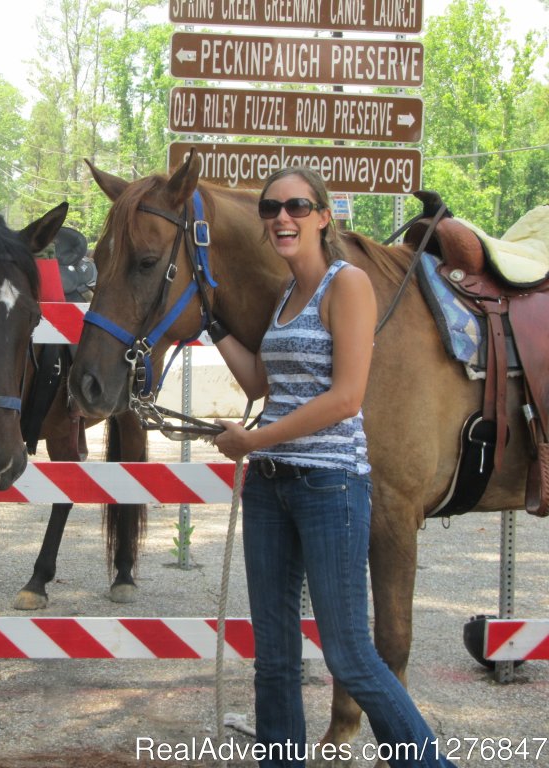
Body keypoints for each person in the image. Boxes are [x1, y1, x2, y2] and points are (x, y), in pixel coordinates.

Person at [211, 167, 456, 768]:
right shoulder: (287, 297)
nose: (281, 218)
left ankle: (428, 762)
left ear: (323, 215)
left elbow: (346, 397)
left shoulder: (348, 285)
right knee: (274, 656)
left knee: (349, 654)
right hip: (271, 487)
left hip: (330, 485)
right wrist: (211, 318)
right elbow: (264, 382)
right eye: (271, 209)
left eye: (296, 206)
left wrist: (256, 438)